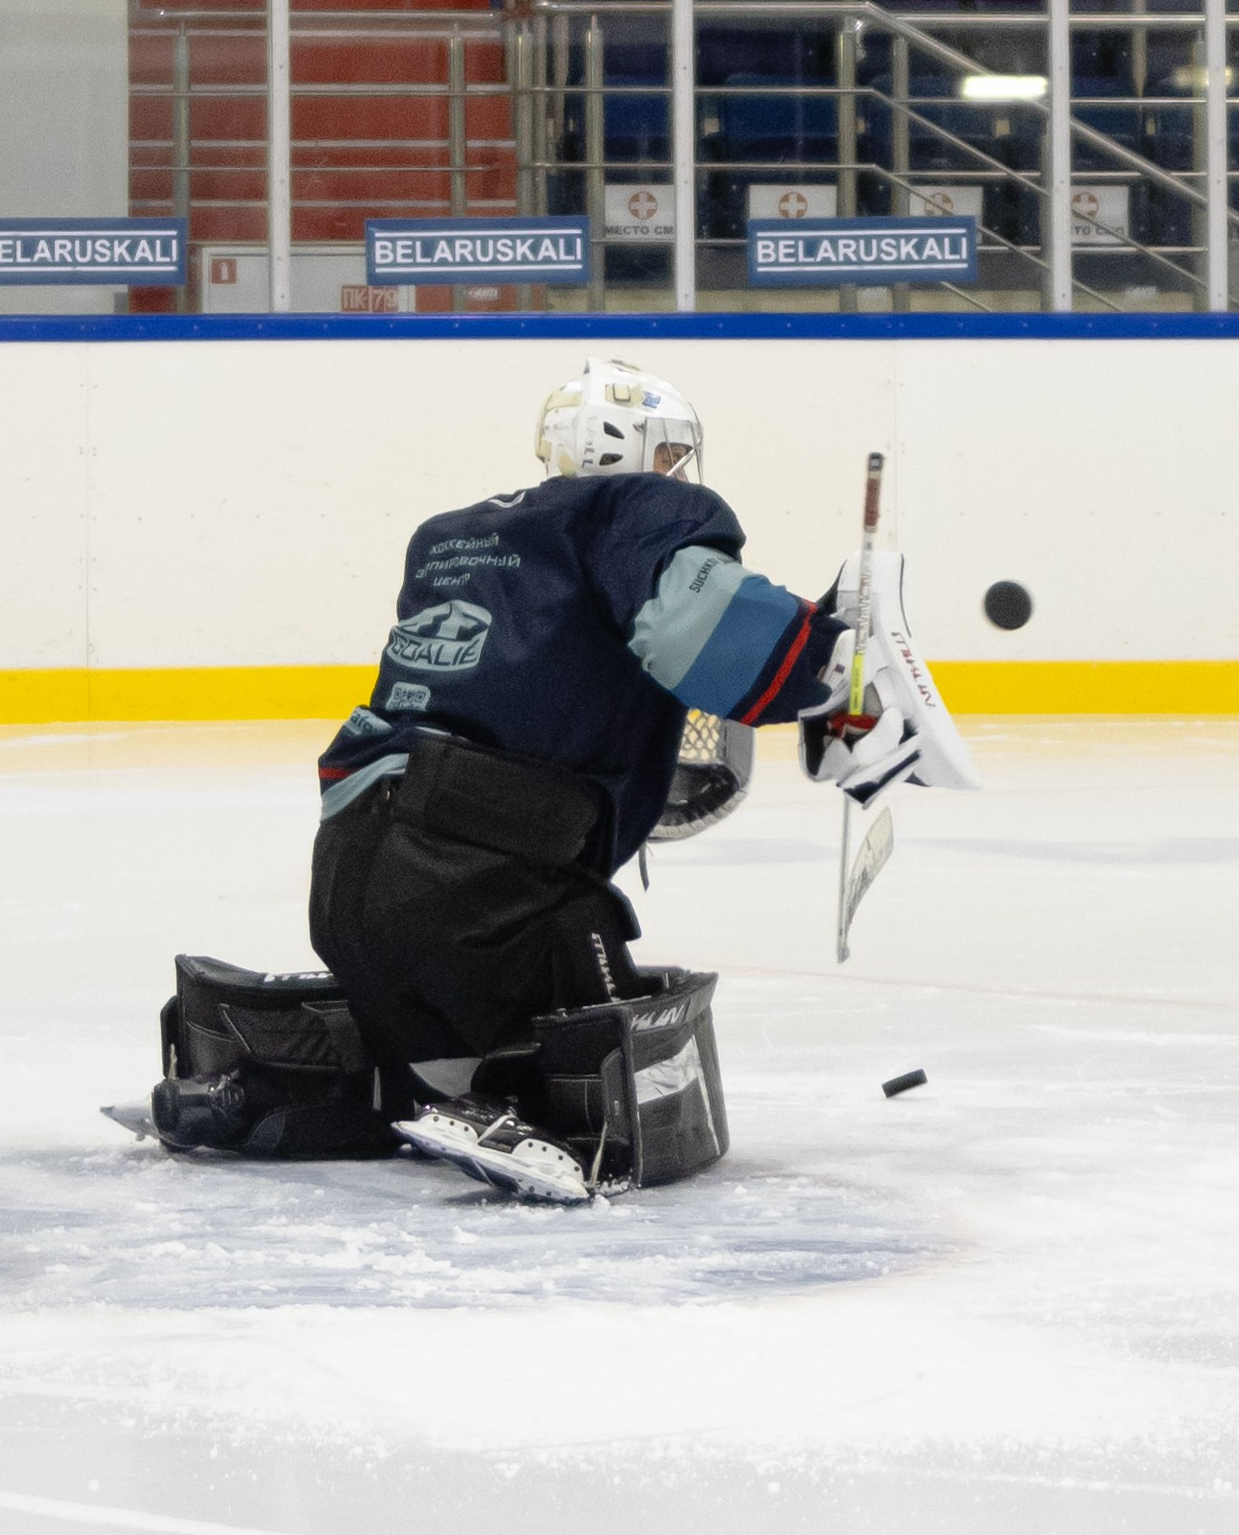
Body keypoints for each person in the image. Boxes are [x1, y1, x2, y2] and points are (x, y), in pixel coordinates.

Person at [149, 357, 961, 1189]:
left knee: (430, 1068)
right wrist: (831, 670)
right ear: (634, 448)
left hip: (352, 860)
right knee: (587, 983)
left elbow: (536, 681)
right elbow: (699, 626)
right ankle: (525, 1109)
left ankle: (262, 1088)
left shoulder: (449, 536)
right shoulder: (640, 507)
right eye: (671, 453)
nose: (679, 473)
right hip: (482, 877)